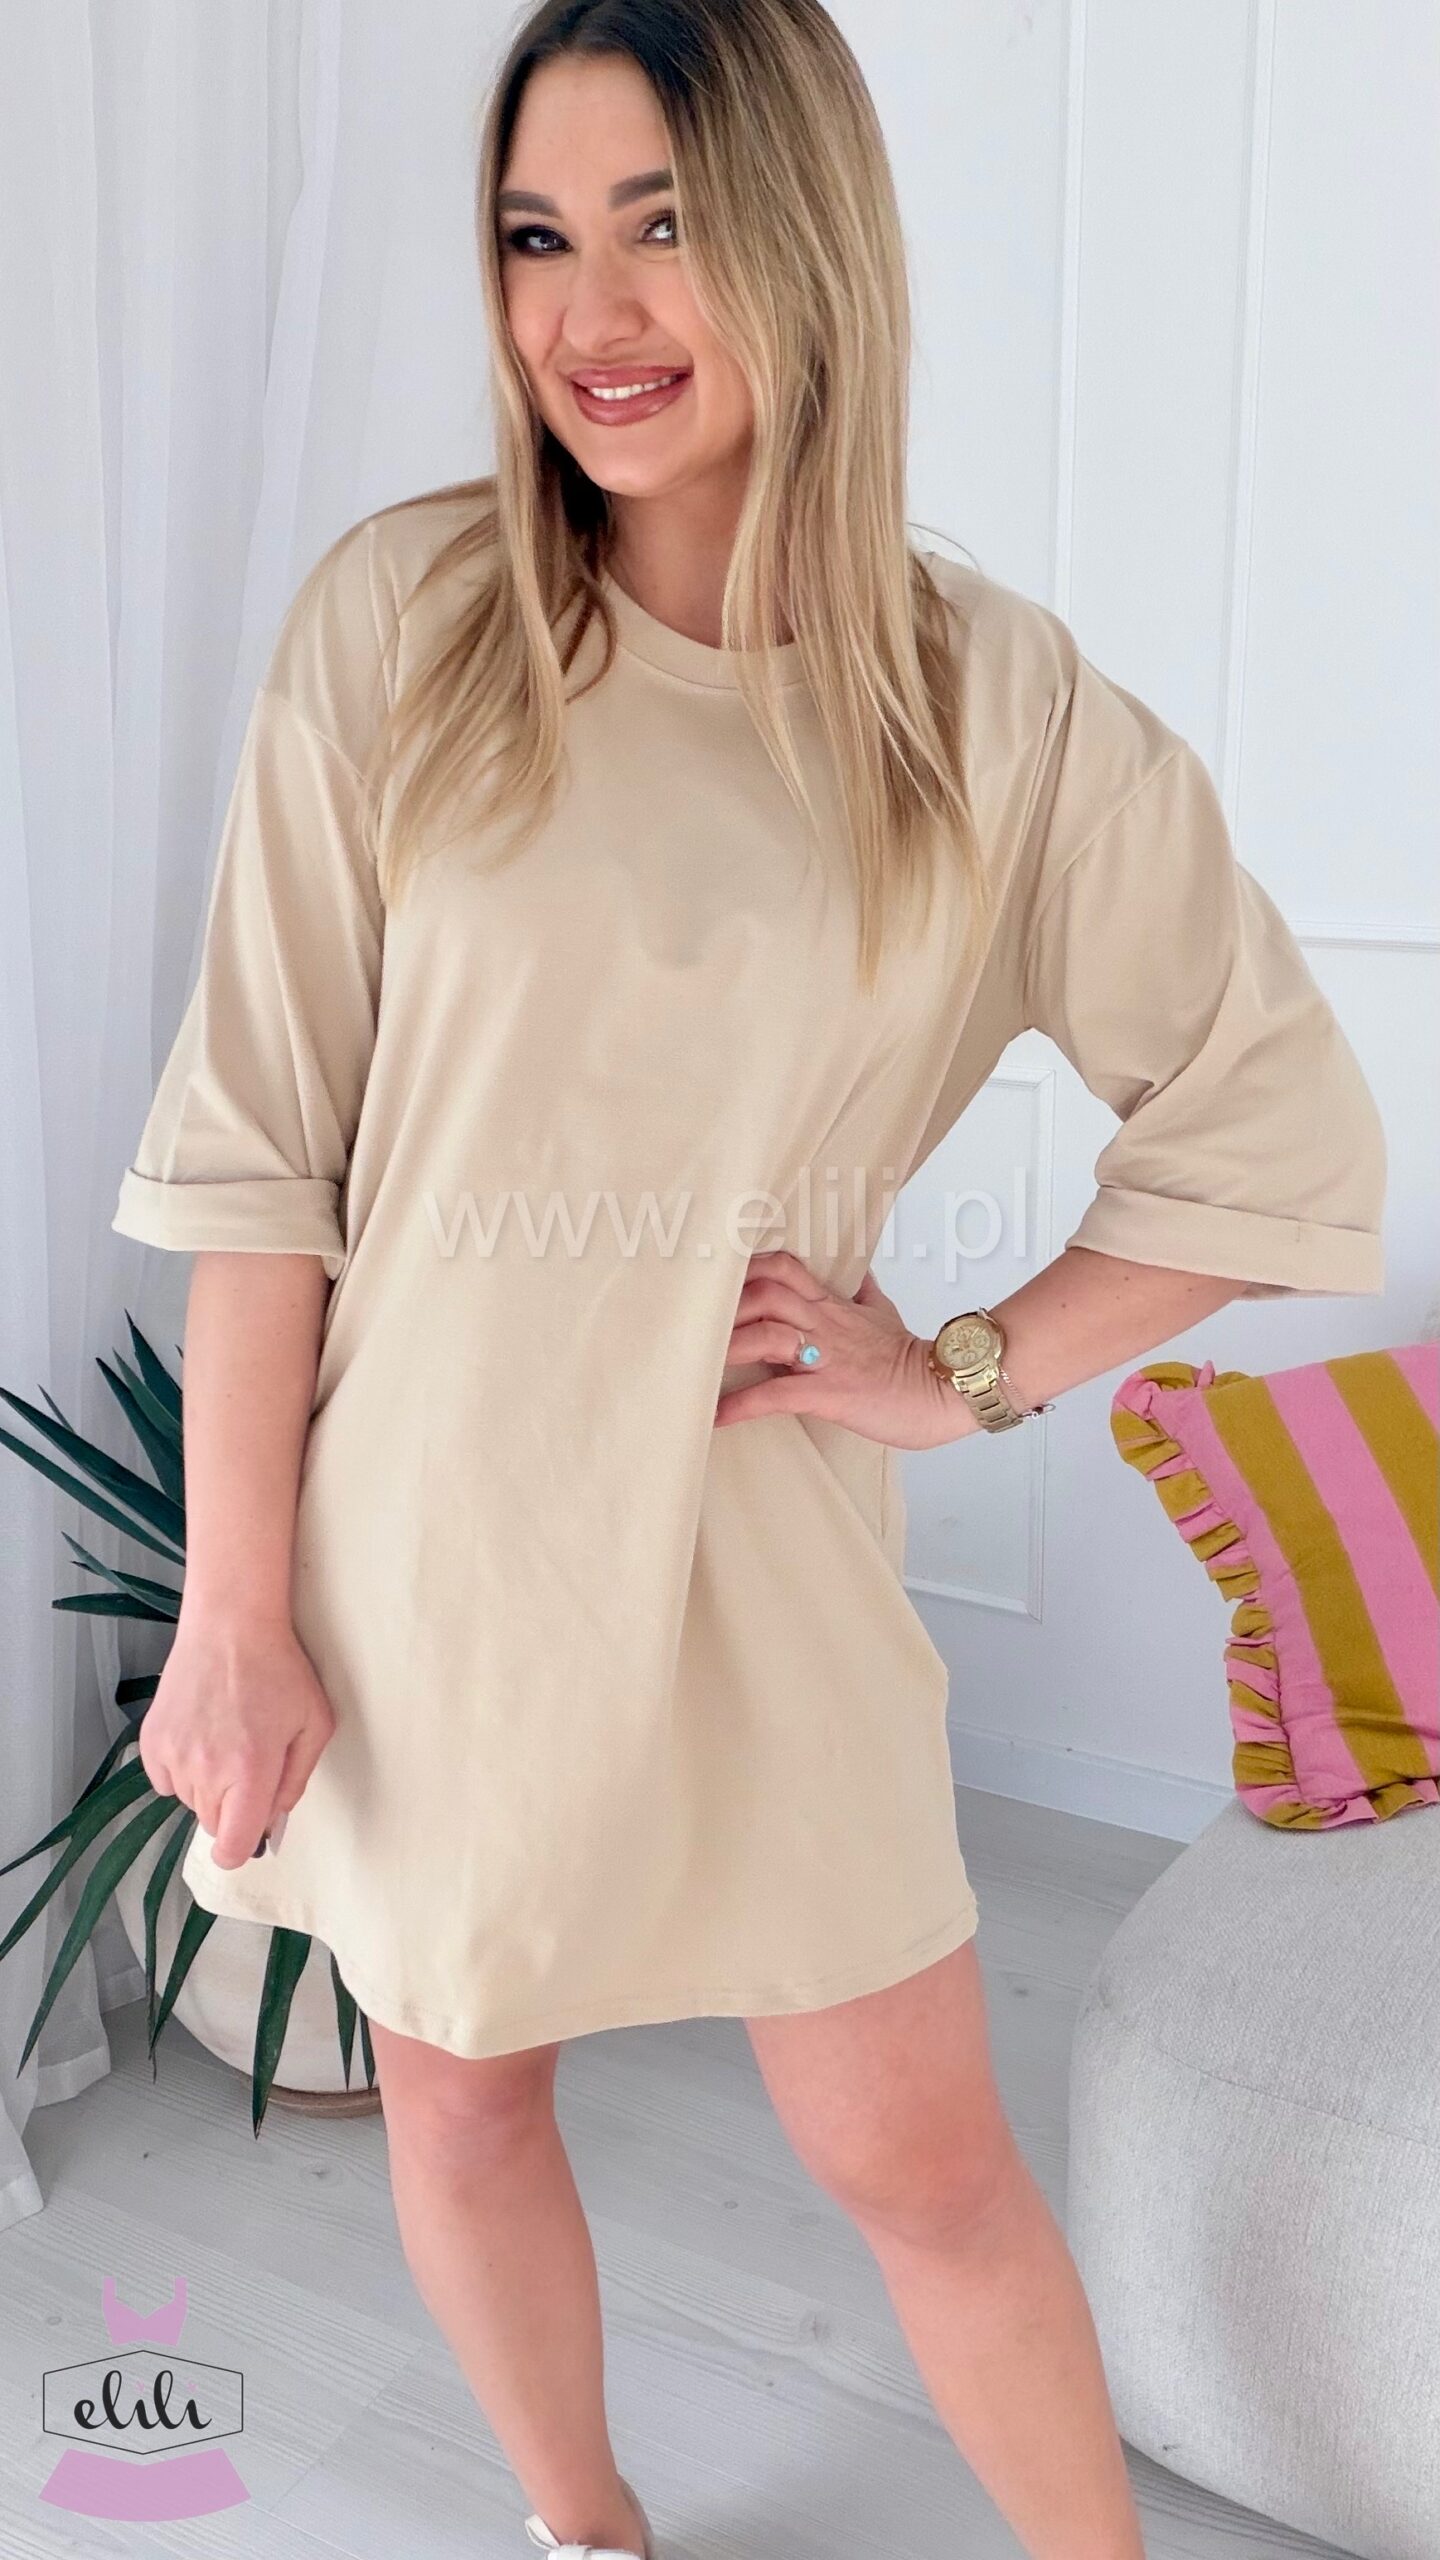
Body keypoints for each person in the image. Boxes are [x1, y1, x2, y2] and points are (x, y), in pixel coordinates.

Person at [113, 4, 1387, 2555]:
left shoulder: (987, 706)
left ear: (808, 242)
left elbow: (1276, 1120)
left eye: (664, 225)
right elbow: (260, 1156)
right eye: (534, 235)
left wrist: (969, 1368)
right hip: (431, 1534)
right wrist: (231, 1605)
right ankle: (589, 2528)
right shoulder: (402, 626)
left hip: (755, 1533)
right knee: (463, 2085)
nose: (588, 309)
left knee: (919, 2158)